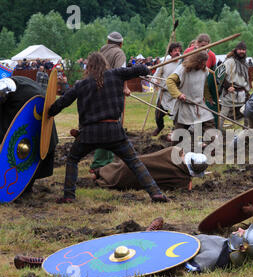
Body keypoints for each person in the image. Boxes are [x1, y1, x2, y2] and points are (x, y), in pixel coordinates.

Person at [48, 52, 168, 204]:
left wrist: (47, 113)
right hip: (114, 132)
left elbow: (61, 103)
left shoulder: (81, 84)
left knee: (72, 160)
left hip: (89, 134)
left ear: (89, 67)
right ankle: (155, 193)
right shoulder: (117, 74)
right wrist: (146, 68)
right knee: (134, 162)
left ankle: (69, 195)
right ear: (105, 64)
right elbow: (140, 70)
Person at [13, 222, 253, 271]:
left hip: (140, 259)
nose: (238, 227)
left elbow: (175, 265)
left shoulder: (212, 257)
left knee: (101, 260)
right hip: (156, 248)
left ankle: (41, 263)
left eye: (242, 231)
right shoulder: (235, 252)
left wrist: (151, 246)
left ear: (241, 242)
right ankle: (150, 231)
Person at [0, 76, 58, 196]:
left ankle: (22, 189)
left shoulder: (9, 88)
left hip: (36, 127)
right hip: (32, 127)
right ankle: (24, 189)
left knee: (27, 155)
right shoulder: (24, 84)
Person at [90, 31, 131, 173]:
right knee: (110, 127)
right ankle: (100, 163)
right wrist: (125, 88)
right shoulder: (119, 54)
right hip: (111, 95)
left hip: (96, 93)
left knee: (103, 126)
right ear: (121, 43)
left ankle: (106, 161)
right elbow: (122, 72)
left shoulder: (100, 52)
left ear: (108, 42)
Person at [92, 146, 208, 191]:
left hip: (128, 164)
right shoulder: (181, 179)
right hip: (128, 176)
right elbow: (186, 189)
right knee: (119, 178)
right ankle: (99, 176)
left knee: (116, 168)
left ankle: (99, 172)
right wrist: (187, 179)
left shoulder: (174, 150)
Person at [166, 51, 216, 146]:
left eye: (205, 62)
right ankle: (173, 151)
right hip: (185, 105)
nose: (203, 65)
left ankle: (211, 146)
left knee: (209, 123)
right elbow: (170, 81)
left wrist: (208, 96)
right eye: (202, 63)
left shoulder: (205, 70)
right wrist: (179, 94)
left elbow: (204, 84)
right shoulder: (183, 69)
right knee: (180, 132)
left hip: (199, 104)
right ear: (195, 61)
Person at [218, 41, 251, 130]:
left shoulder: (245, 63)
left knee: (246, 113)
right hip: (230, 93)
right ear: (236, 50)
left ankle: (245, 133)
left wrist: (247, 91)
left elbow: (245, 79)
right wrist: (228, 86)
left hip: (242, 94)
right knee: (223, 115)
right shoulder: (230, 61)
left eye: (243, 50)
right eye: (240, 49)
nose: (241, 51)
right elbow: (219, 74)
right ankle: (218, 133)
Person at [152, 42, 183, 136]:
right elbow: (155, 76)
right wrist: (156, 81)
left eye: (178, 50)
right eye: (175, 51)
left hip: (176, 93)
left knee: (176, 115)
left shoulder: (182, 63)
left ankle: (175, 131)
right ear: (170, 53)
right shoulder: (165, 62)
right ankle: (160, 127)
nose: (177, 53)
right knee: (158, 115)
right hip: (164, 94)